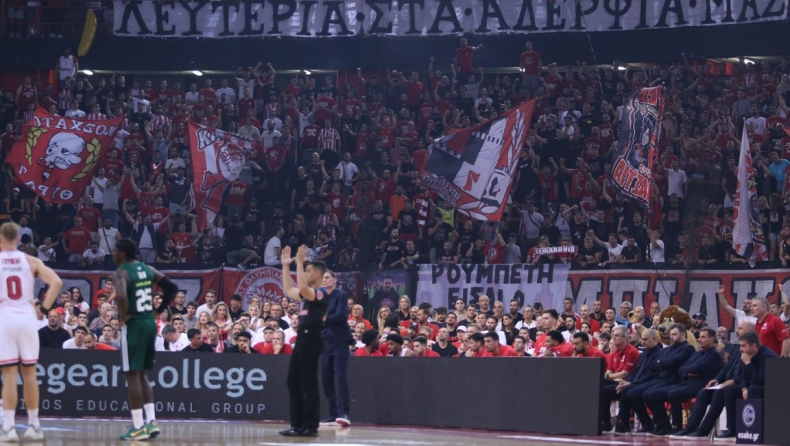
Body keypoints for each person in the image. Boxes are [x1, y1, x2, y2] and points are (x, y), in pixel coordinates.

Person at [112, 238, 180, 441]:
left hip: (134, 324)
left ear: (123, 253)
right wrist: (159, 311)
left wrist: (122, 317)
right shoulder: (148, 269)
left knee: (132, 375)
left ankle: (138, 426)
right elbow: (172, 288)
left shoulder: (121, 272)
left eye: (115, 251)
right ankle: (151, 422)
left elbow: (121, 296)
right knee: (142, 374)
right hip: (150, 323)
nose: (113, 254)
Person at [0, 222, 62, 441]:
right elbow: (56, 282)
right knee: (29, 374)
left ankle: (8, 428)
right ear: (18, 240)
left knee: (9, 375)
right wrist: (43, 309)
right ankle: (34, 425)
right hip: (27, 317)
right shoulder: (30, 260)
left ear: (0, 240)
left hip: (5, 316)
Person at [279, 245, 329, 437]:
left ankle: (310, 426)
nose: (305, 274)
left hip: (312, 338)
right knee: (293, 381)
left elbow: (301, 288)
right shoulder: (307, 295)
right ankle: (297, 425)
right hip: (302, 338)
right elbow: (289, 289)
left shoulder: (320, 293)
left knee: (309, 383)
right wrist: (286, 266)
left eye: (308, 271)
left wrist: (299, 263)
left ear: (317, 273)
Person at [319, 270, 353, 427]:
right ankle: (332, 414)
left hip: (339, 341)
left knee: (340, 376)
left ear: (334, 280)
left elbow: (340, 316)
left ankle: (343, 413)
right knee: (326, 378)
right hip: (324, 341)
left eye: (327, 277)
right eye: (323, 278)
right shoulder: (320, 296)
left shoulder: (341, 295)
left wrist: (323, 319)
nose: (324, 280)